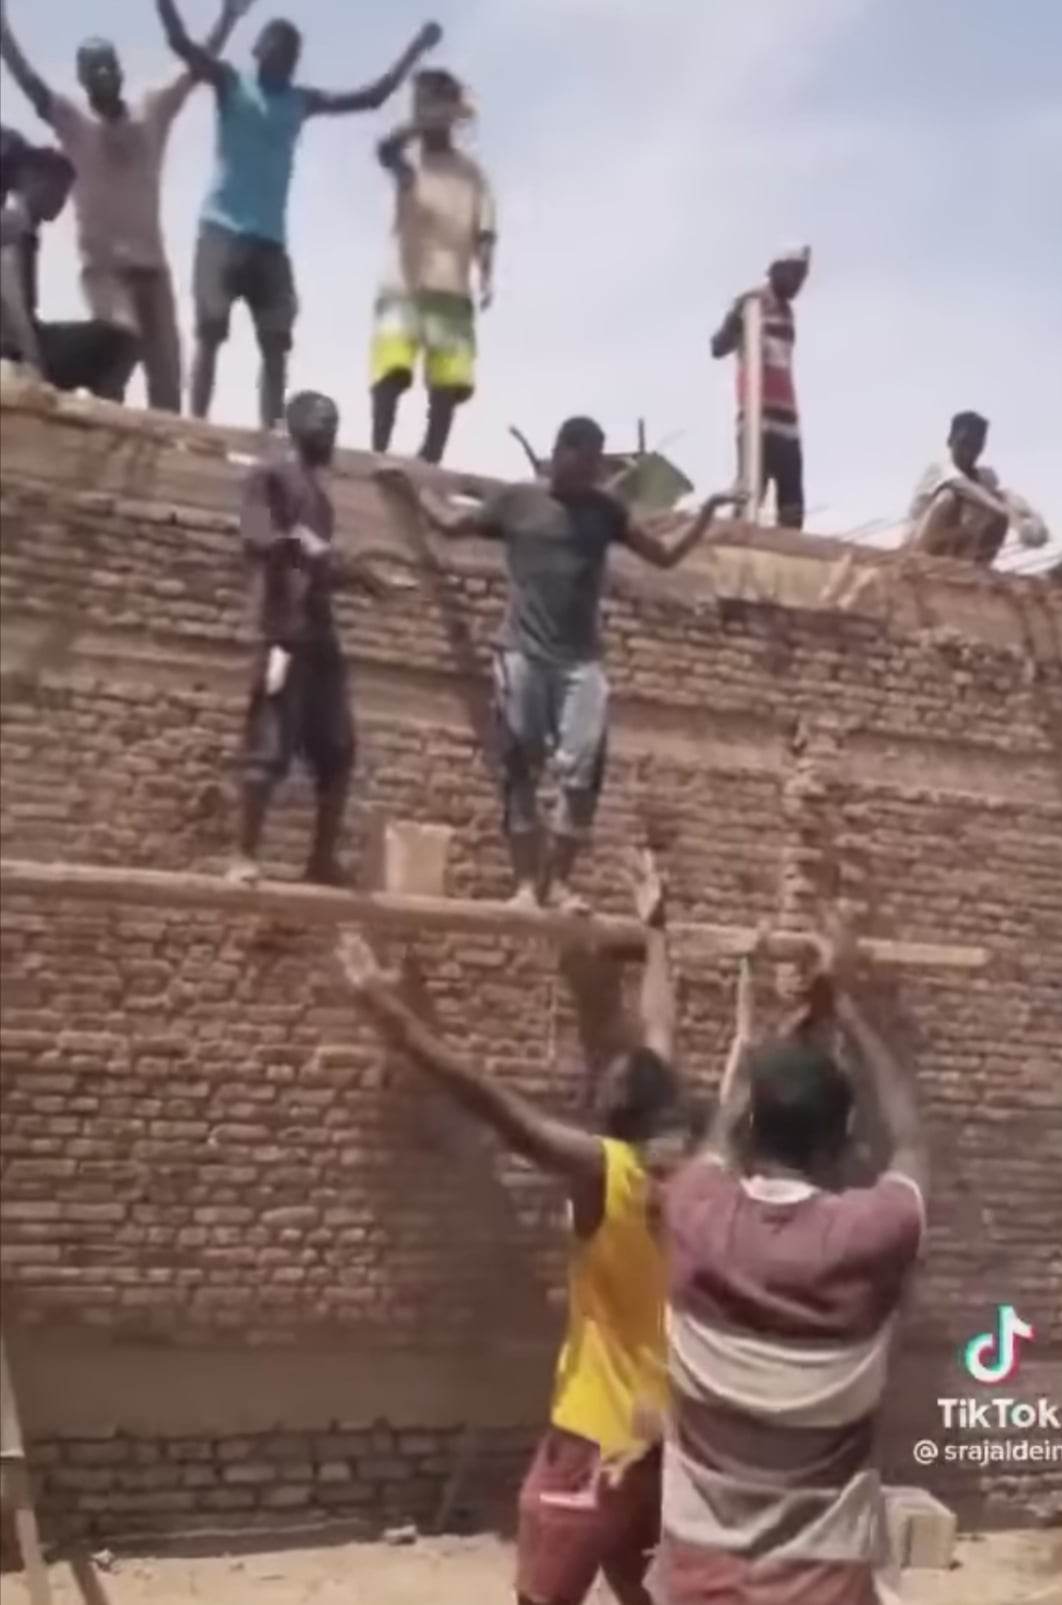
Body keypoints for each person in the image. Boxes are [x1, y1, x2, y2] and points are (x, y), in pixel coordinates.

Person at [336, 851, 695, 1605]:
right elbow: (661, 1031)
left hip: (594, 1441)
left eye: (607, 1084)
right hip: (668, 1440)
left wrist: (389, 1015)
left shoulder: (608, 1173)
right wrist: (657, 929)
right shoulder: (693, 1170)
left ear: (617, 1113)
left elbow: (492, 1102)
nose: (599, 1081)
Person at [653, 925, 929, 1605]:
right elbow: (911, 1140)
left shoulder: (693, 1209)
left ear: (749, 1128)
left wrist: (764, 1063)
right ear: (842, 1142)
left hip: (701, 1581)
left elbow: (719, 1138)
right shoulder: (871, 1234)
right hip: (824, 1585)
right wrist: (848, 1004)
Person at [376, 417, 742, 912]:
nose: (591, 477)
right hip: (523, 654)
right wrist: (412, 489)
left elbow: (665, 556)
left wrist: (708, 513)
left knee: (584, 770)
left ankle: (560, 884)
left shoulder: (605, 511)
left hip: (580, 663)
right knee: (520, 765)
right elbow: (450, 525)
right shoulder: (519, 502)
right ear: (561, 454)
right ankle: (527, 885)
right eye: (585, 465)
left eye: (596, 468)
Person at [156, 1, 442, 430]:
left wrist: (416, 48)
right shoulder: (232, 83)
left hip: (270, 241)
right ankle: (196, 426)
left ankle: (271, 432)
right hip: (221, 230)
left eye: (292, 52)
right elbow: (181, 44)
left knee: (276, 343)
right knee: (210, 333)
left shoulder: (299, 101)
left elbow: (373, 97)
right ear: (258, 50)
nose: (286, 57)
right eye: (278, 47)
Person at [1, 0, 252, 411]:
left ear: (120, 71)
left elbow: (193, 68)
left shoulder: (151, 112)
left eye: (108, 66)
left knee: (167, 375)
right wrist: (4, 33)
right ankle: (109, 423)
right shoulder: (74, 123)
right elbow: (31, 84)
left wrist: (227, 18)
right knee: (119, 339)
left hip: (153, 268)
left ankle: (165, 441)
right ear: (83, 80)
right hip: (105, 270)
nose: (103, 75)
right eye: (93, 70)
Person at [232, 389, 388, 887]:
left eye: (335, 423)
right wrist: (314, 550)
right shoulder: (269, 477)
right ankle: (243, 856)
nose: (331, 432)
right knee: (269, 744)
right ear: (295, 424)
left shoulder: (319, 497)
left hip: (320, 636)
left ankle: (320, 861)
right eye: (323, 421)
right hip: (283, 634)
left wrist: (359, 578)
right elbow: (260, 538)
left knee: (339, 749)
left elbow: (318, 564)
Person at [371, 67, 495, 465]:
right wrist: (419, 123)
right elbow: (384, 152)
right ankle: (379, 450)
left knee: (447, 381)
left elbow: (484, 229)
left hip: (452, 287)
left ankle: (430, 458)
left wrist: (486, 274)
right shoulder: (409, 163)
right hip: (402, 284)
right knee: (391, 370)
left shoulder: (471, 174)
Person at [1, 141, 136, 395]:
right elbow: (13, 305)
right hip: (13, 348)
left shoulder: (25, 230)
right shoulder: (11, 227)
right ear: (30, 179)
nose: (60, 203)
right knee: (119, 343)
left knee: (119, 340)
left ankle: (97, 411)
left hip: (27, 340)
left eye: (64, 195)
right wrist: (33, 366)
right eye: (56, 190)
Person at [710, 245, 811, 530]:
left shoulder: (788, 312)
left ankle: (789, 552)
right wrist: (735, 320)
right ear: (777, 271)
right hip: (757, 416)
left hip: (787, 419)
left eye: (802, 277)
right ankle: (736, 542)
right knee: (751, 493)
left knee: (792, 500)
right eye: (795, 274)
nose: (799, 283)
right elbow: (717, 347)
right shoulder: (752, 303)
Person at [904, 410, 1048, 565]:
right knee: (949, 498)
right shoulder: (938, 470)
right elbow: (964, 488)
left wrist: (1031, 519)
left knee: (1000, 504)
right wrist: (1008, 514)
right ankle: (924, 560)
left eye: (976, 445)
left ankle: (977, 566)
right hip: (919, 548)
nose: (969, 451)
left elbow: (1006, 496)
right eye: (964, 442)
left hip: (958, 551)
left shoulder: (984, 476)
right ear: (950, 441)